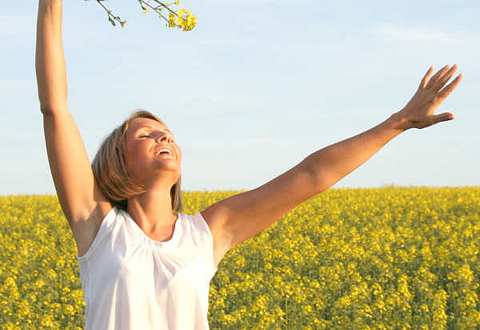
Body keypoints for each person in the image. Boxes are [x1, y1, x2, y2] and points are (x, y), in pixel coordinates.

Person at [35, 0, 462, 329]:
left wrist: (398, 122)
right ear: (117, 162)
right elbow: (56, 108)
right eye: (145, 134)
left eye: (166, 132)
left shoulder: (207, 234)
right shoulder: (99, 226)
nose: (163, 136)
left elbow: (311, 175)